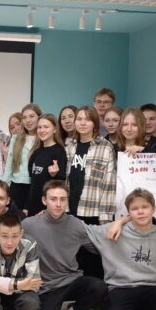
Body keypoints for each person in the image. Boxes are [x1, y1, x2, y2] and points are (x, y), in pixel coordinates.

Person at [22, 180, 108, 310]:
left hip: (71, 281)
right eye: (53, 199)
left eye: (63, 199)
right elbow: (8, 239)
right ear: (44, 200)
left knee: (99, 287)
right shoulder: (29, 224)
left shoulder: (76, 225)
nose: (58, 204)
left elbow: (98, 246)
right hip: (47, 287)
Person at [65, 106, 116, 279]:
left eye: (87, 119)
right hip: (71, 211)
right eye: (79, 119)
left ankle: (95, 293)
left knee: (93, 261)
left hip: (92, 212)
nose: (82, 123)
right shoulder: (69, 146)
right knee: (74, 258)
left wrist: (105, 219)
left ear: (94, 123)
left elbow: (109, 184)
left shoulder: (106, 147)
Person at [26, 113, 67, 216]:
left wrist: (54, 176)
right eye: (39, 127)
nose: (42, 130)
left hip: (48, 209)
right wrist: (27, 206)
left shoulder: (59, 151)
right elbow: (33, 183)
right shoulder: (36, 152)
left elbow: (61, 184)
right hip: (33, 206)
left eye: (46, 127)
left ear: (54, 129)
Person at [2, 103, 42, 210]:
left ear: (39, 117)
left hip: (35, 186)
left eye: (31, 116)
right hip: (17, 185)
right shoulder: (16, 138)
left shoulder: (43, 138)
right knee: (15, 217)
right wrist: (3, 188)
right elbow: (9, 166)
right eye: (24, 117)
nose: (28, 120)